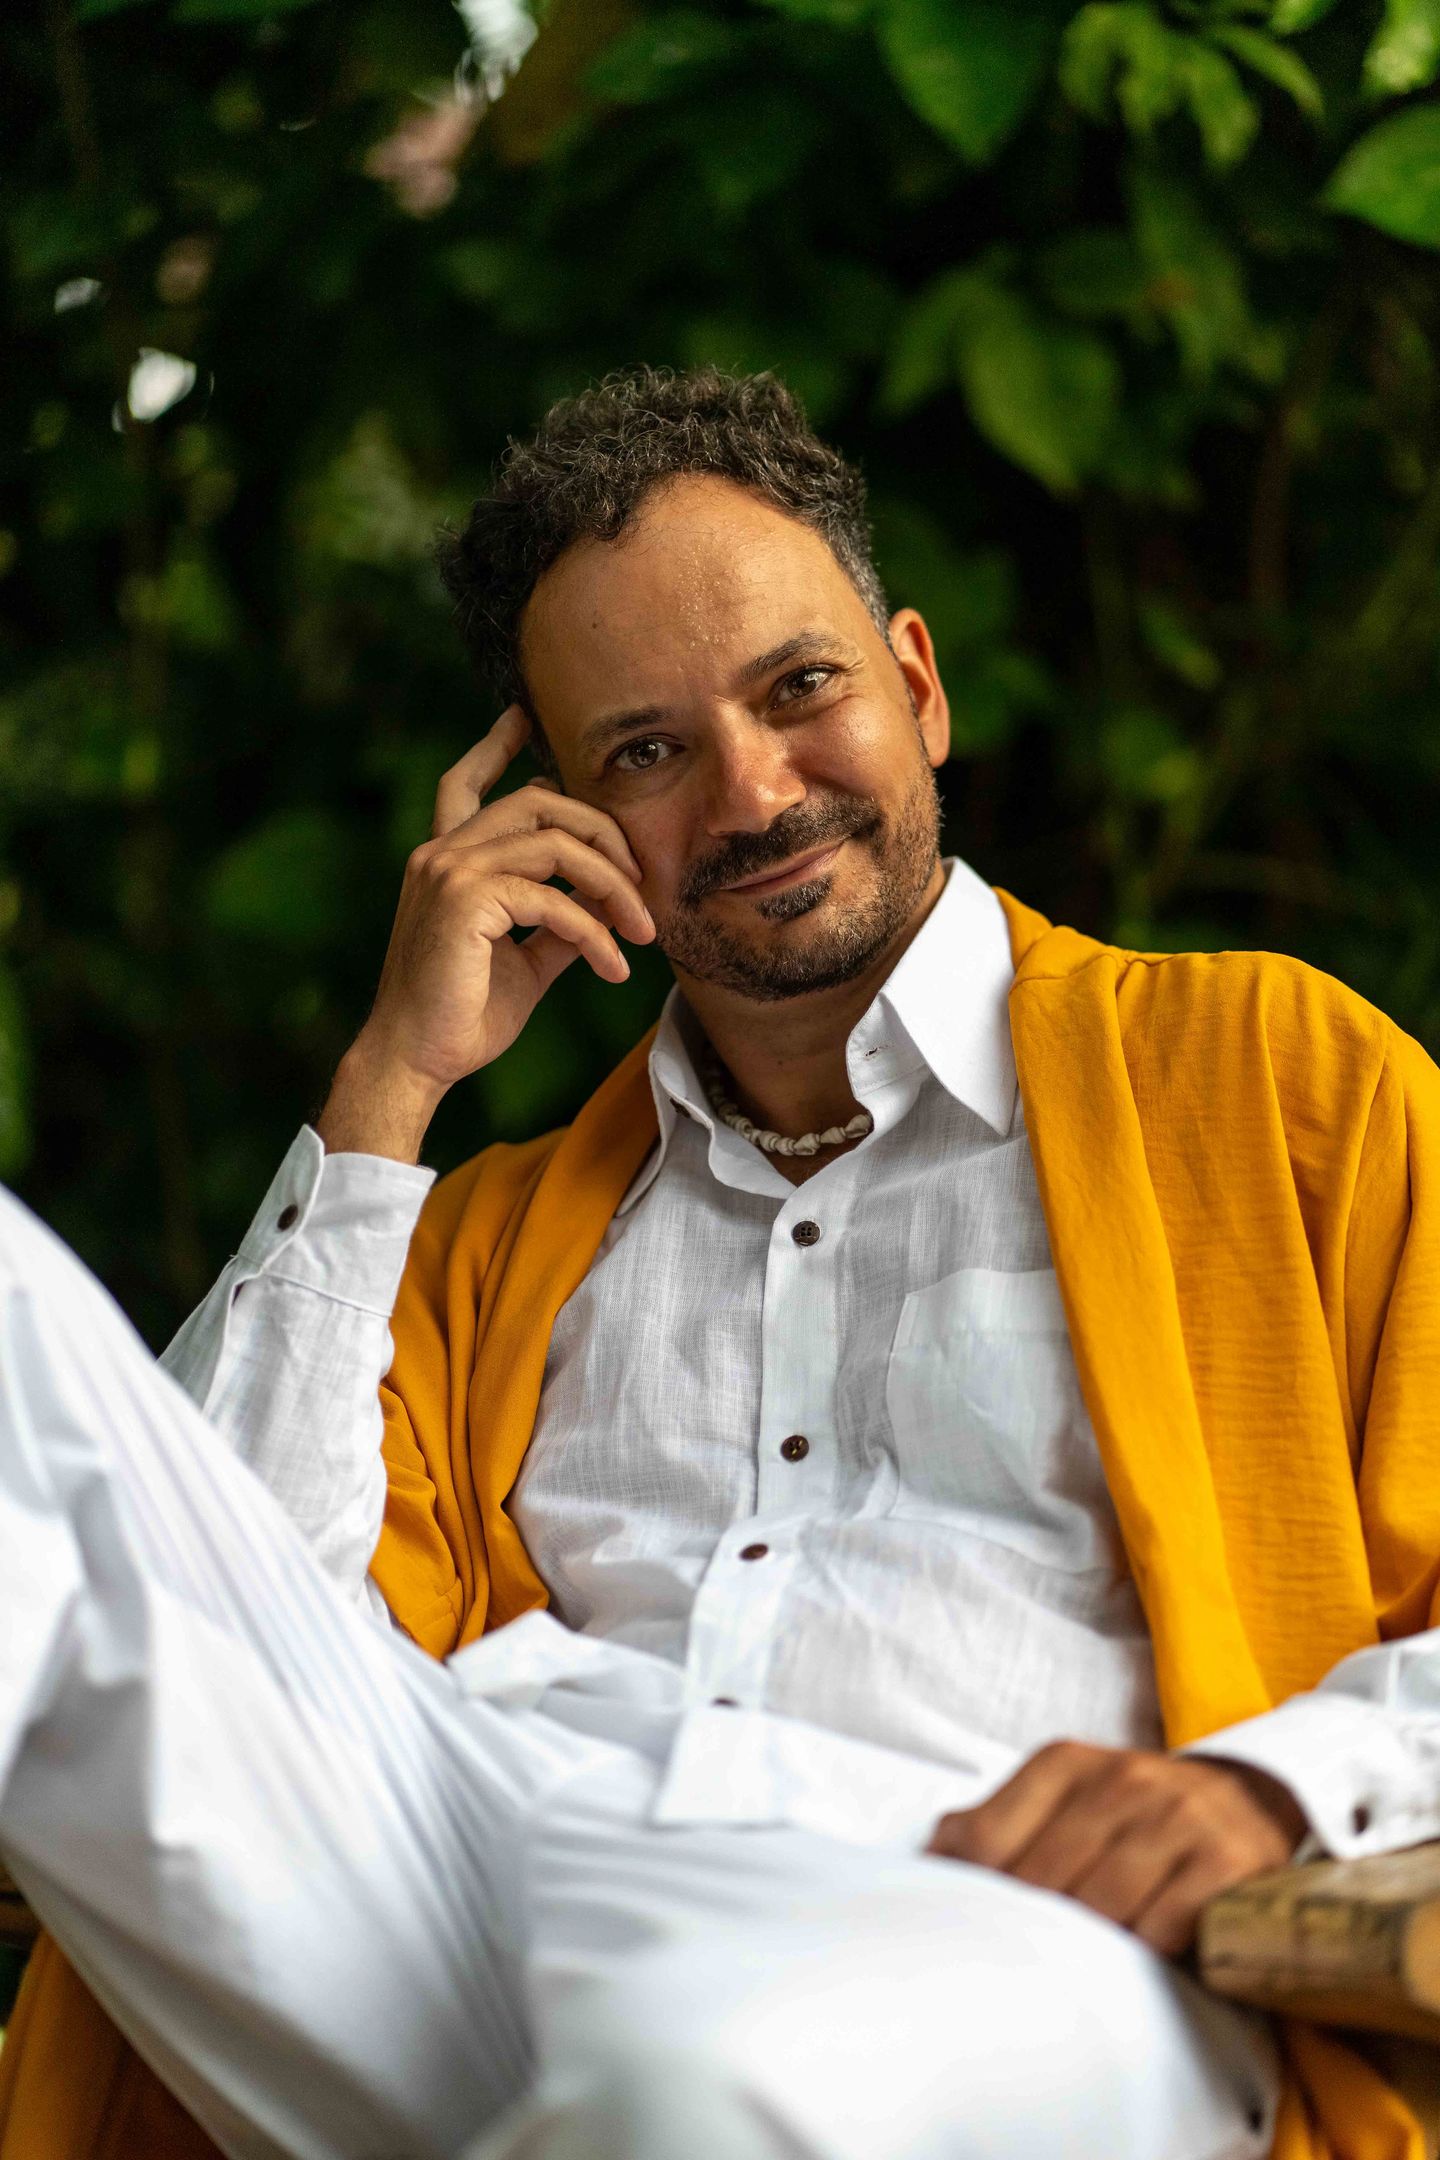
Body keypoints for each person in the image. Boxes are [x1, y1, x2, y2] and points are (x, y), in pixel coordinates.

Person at [2, 365, 1439, 2160]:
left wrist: (1272, 1785)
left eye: (800, 687)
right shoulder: (490, 1237)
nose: (754, 793)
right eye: (648, 751)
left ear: (919, 686)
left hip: (1000, 1929)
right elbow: (218, 1635)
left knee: (691, 2084)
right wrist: (390, 1087)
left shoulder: (1271, 1080)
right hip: (494, 1868)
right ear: (566, 823)